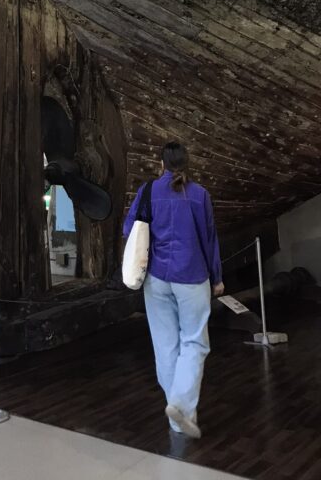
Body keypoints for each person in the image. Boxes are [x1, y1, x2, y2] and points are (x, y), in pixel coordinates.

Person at [123, 141, 223, 439]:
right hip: (191, 276)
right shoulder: (199, 195)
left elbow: (129, 230)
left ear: (161, 164)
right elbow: (209, 239)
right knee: (195, 343)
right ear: (187, 164)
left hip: (156, 277)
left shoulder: (148, 191)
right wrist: (217, 276)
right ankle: (181, 406)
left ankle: (178, 418)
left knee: (166, 346)